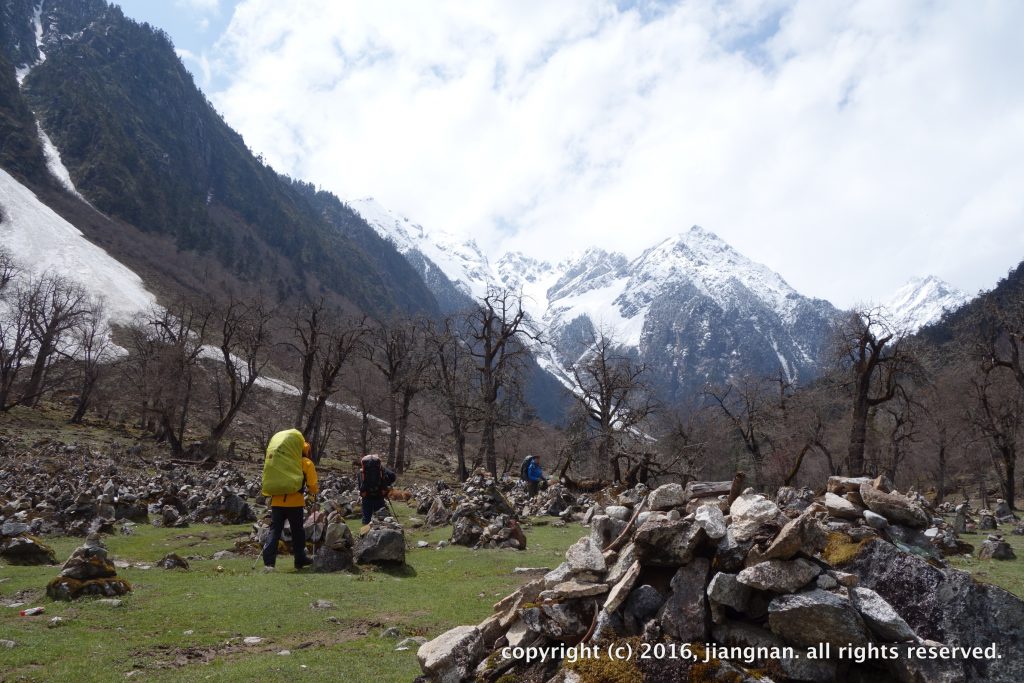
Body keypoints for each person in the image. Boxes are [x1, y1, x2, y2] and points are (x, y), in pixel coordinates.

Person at [262, 440, 318, 570]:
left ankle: (269, 562)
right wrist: (314, 492)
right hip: (295, 503)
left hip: (276, 502)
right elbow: (312, 485)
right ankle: (300, 560)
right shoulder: (306, 463)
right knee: (297, 531)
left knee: (275, 530)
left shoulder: (281, 462)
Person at [358, 453, 396, 524]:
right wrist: (386, 484)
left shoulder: (362, 471)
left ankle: (364, 534)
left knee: (366, 518)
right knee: (380, 517)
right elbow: (393, 476)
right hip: (379, 495)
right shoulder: (381, 469)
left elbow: (360, 485)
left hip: (366, 496)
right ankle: (379, 533)